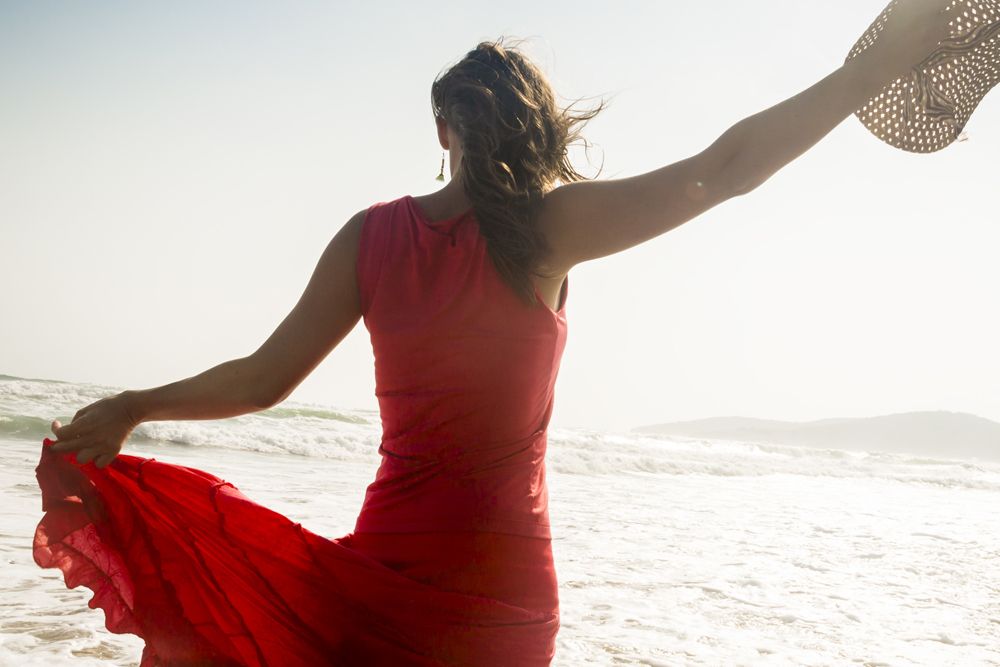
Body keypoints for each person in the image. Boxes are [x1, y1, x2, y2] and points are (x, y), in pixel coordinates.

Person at [37, 3, 957, 665]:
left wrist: (134, 405)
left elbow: (263, 377)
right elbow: (723, 171)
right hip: (506, 594)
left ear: (441, 127)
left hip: (384, 566)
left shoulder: (373, 236)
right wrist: (861, 77)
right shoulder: (548, 232)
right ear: (537, 127)